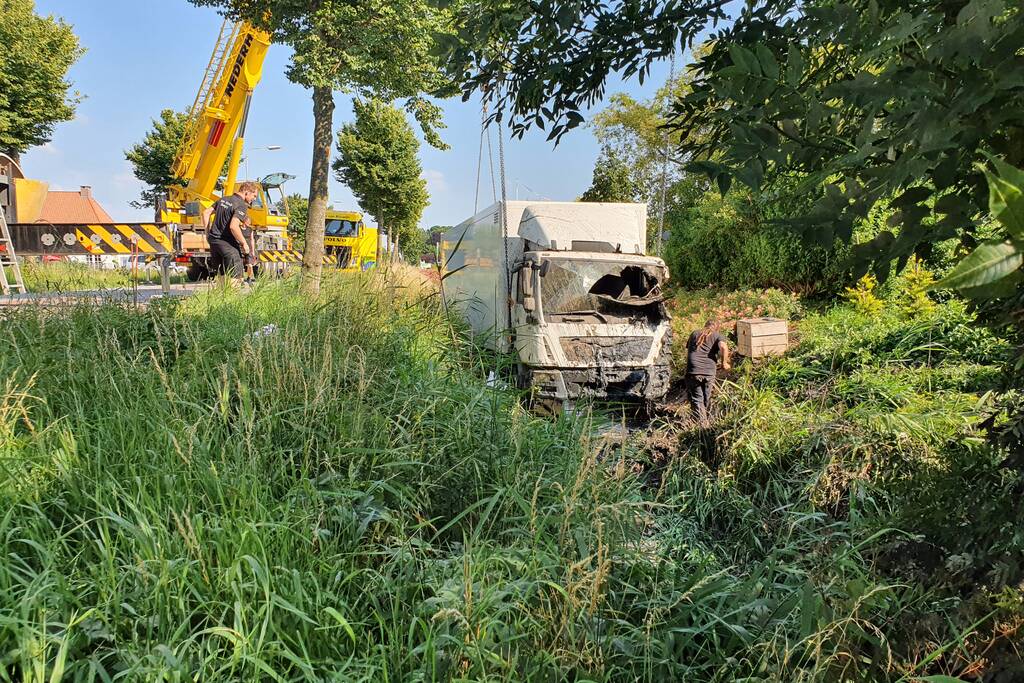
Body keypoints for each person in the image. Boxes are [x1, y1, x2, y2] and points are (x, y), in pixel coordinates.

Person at [202, 181, 258, 282]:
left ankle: (221, 297)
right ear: (247, 192)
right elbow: (233, 226)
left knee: (221, 277)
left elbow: (206, 213)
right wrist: (244, 243)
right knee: (237, 279)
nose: (254, 199)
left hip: (214, 243)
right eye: (254, 196)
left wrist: (207, 233)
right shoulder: (241, 205)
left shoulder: (223, 199)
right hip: (228, 245)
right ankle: (233, 297)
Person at [685, 319, 731, 425]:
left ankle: (702, 425)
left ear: (705, 325)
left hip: (693, 371)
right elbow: (723, 347)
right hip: (709, 372)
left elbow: (689, 350)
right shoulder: (717, 335)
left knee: (697, 399)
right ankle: (706, 425)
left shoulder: (694, 333)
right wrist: (724, 363)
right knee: (706, 398)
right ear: (717, 327)